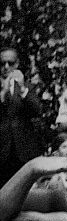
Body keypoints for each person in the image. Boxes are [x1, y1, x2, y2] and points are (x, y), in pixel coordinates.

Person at [0, 47, 45, 188]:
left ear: (17, 64)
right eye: (2, 63)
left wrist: (23, 89)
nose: (6, 67)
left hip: (23, 151)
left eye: (10, 63)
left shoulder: (27, 87)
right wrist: (4, 92)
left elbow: (37, 110)